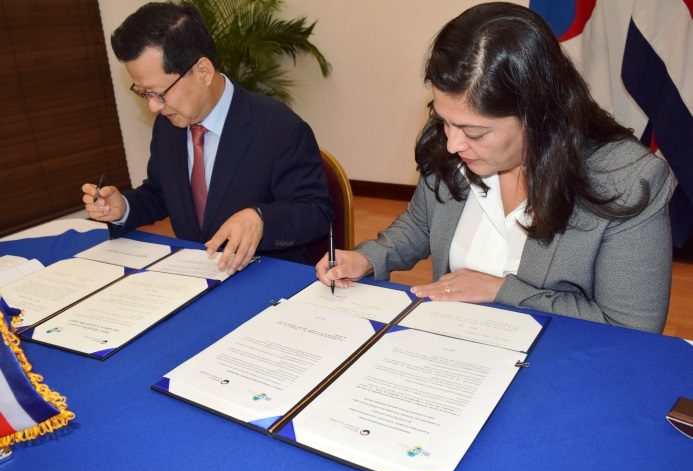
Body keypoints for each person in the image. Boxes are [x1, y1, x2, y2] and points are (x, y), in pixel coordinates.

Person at [317, 2, 674, 333]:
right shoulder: (454, 138)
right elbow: (422, 223)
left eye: (475, 133)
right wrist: (367, 258)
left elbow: (632, 329)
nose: (453, 144)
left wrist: (501, 290)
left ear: (538, 115)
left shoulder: (627, 181)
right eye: (444, 120)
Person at [82, 1, 332, 273]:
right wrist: (124, 207)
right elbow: (161, 193)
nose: (153, 106)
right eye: (144, 93)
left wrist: (261, 218)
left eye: (159, 93)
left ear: (203, 71)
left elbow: (316, 211)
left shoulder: (278, 127)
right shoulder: (168, 125)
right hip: (194, 273)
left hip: (264, 275)